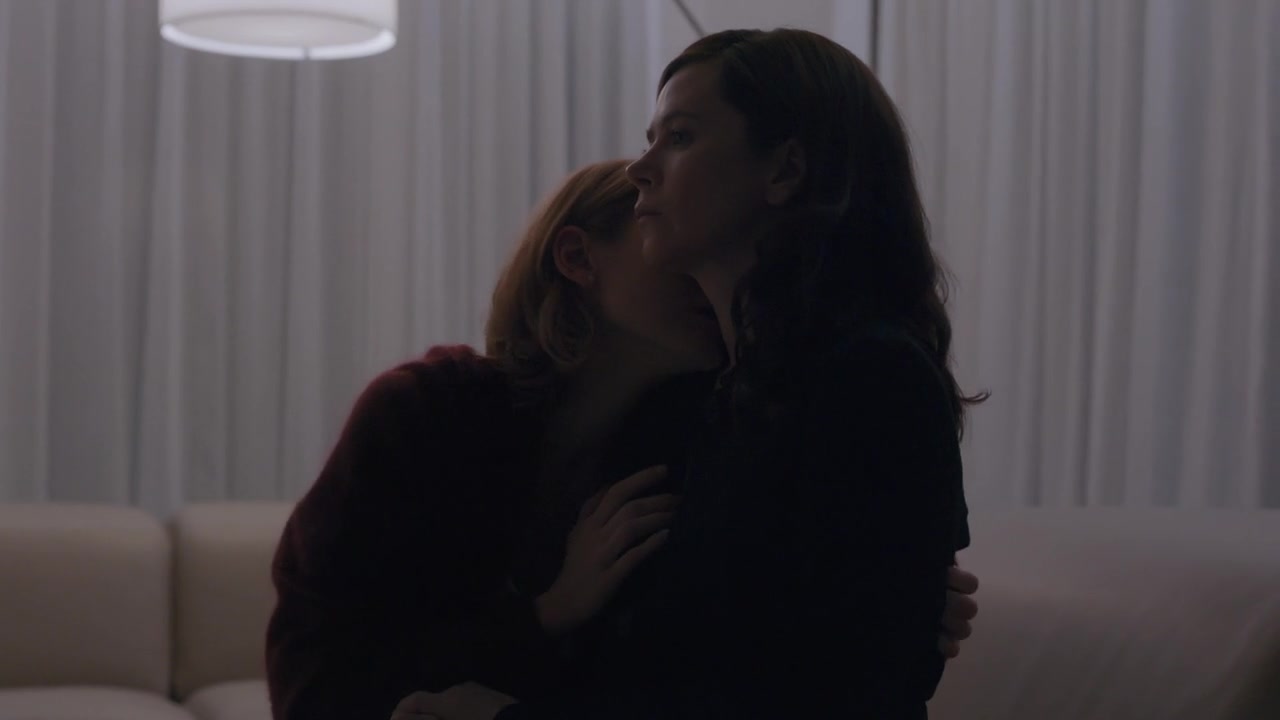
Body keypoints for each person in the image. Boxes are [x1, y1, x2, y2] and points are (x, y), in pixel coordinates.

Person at [404, 27, 985, 720]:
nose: (638, 170)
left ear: (784, 172)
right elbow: (644, 665)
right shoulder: (690, 406)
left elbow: (827, 688)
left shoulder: (873, 380)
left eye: (679, 138)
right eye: (651, 139)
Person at [266, 161, 979, 720]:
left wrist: (881, 592)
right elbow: (318, 680)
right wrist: (546, 613)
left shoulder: (704, 443)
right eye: (666, 239)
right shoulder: (422, 415)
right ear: (578, 257)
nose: (708, 269)